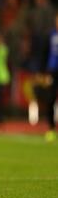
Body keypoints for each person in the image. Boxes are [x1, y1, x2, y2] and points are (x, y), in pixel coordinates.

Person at [41, 11, 58, 142]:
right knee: (50, 100)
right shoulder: (50, 35)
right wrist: (44, 72)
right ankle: (51, 129)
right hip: (52, 72)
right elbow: (44, 53)